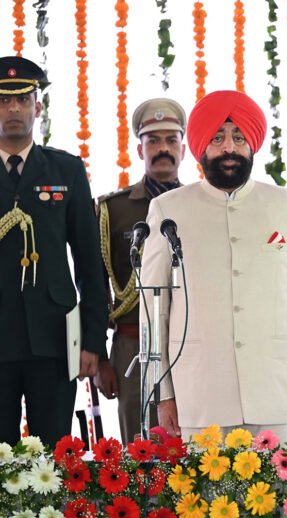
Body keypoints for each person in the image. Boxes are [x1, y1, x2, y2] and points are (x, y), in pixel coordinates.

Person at [140, 90, 287, 441]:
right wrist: (163, 392)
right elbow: (155, 311)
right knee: (201, 495)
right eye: (218, 137)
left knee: (271, 495)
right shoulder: (168, 210)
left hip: (273, 389)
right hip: (197, 391)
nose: (229, 147)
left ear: (252, 145)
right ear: (200, 147)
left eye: (239, 137)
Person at [0, 56, 107, 447]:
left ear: (37, 107)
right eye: (3, 100)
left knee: (54, 459)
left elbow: (89, 261)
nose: (13, 108)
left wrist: (94, 340)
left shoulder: (65, 170)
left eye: (23, 100)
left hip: (53, 339)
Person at [94, 97, 187, 442]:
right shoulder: (113, 209)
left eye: (170, 140)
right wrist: (101, 359)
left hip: (190, 341)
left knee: (192, 445)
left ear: (183, 147)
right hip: (133, 346)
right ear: (139, 148)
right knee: (139, 447)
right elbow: (95, 284)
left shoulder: (199, 204)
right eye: (153, 141)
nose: (162, 148)